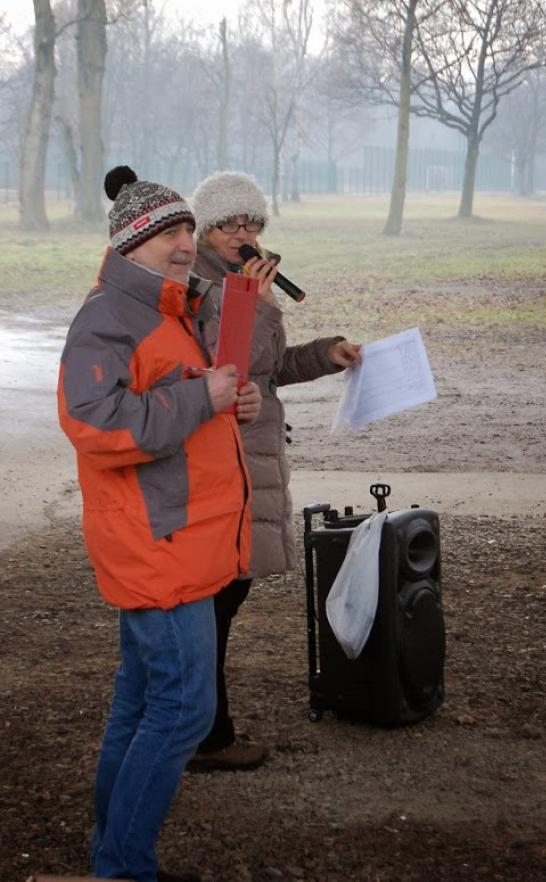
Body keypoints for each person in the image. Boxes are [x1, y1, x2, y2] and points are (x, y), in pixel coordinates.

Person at [57, 165, 261, 882]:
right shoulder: (110, 317)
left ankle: (112, 857)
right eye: (169, 233)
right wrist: (202, 399)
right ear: (130, 242)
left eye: (186, 230)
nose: (184, 245)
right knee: (182, 712)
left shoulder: (172, 307)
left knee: (142, 701)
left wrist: (229, 404)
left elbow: (175, 399)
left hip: (180, 537)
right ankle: (122, 867)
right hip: (157, 543)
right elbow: (95, 422)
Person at [187, 171, 361, 773]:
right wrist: (258, 307)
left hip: (256, 450)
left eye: (253, 223)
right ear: (204, 229)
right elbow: (230, 366)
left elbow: (268, 366)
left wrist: (325, 354)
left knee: (228, 591)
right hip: (227, 449)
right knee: (216, 595)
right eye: (230, 224)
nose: (244, 234)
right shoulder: (199, 284)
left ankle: (206, 727)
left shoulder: (240, 280)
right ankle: (207, 735)